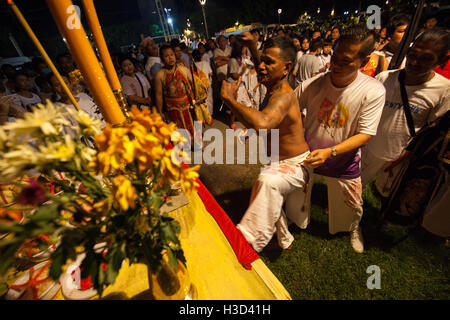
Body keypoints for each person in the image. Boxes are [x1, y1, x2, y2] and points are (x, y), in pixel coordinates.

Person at [294, 24, 386, 253]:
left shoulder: (373, 90)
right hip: (309, 154)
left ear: (363, 63)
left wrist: (331, 152)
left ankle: (352, 227)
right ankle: (296, 220)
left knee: (352, 205)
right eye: (334, 57)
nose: (335, 65)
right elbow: (290, 109)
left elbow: (365, 135)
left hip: (343, 160)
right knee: (296, 193)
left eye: (345, 61)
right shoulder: (314, 83)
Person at [220, 33, 310, 253]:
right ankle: (285, 239)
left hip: (295, 164)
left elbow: (263, 123)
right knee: (267, 193)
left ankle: (246, 243)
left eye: (268, 62)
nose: (261, 66)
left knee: (266, 183)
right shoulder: (275, 84)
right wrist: (252, 46)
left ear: (287, 67)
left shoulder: (284, 96)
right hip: (276, 160)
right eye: (261, 60)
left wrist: (229, 99)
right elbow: (268, 64)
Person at [361, 29, 450, 198]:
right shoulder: (385, 78)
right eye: (413, 54)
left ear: (442, 60)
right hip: (370, 149)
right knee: (354, 189)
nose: (415, 62)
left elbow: (432, 131)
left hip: (400, 158)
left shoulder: (444, 91)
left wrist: (409, 154)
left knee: (388, 198)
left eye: (426, 58)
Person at [154, 45, 197, 136]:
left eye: (172, 55)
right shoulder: (160, 75)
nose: (170, 58)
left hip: (188, 105)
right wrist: (160, 111)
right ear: (162, 59)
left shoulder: (183, 69)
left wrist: (197, 100)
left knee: (193, 125)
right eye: (166, 56)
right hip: (172, 108)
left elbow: (194, 85)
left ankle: (198, 144)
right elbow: (158, 95)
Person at [192, 49, 214, 117]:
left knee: (199, 103)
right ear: (200, 56)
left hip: (198, 87)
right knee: (208, 100)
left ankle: (201, 117)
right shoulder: (205, 63)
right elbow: (211, 73)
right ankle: (209, 116)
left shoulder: (192, 65)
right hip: (207, 85)